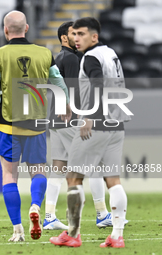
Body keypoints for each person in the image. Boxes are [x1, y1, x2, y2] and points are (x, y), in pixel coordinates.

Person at [0, 11, 71, 242]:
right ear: (26, 28)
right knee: (38, 170)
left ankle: (18, 229)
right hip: (36, 124)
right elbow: (59, 82)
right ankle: (36, 206)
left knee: (9, 174)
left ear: (5, 30)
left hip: (8, 126)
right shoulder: (45, 53)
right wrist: (65, 104)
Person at [50, 17, 130, 248]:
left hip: (97, 125)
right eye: (74, 34)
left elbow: (97, 84)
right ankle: (116, 235)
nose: (76, 39)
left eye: (82, 34)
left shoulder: (91, 57)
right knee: (113, 180)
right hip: (117, 124)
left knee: (73, 177)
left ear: (94, 36)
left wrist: (89, 117)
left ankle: (72, 234)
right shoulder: (110, 53)